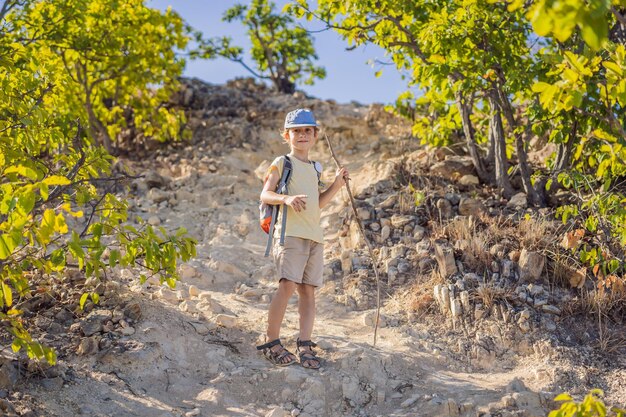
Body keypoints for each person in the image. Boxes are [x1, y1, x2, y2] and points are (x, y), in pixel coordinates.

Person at [257, 108, 349, 369]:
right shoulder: (282, 162)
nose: (302, 135)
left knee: (308, 291)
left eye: (307, 130)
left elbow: (316, 204)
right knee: (287, 285)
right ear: (287, 135)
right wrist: (286, 198)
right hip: (289, 234)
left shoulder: (315, 168)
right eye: (296, 131)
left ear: (315, 134)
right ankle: (271, 340)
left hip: (313, 236)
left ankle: (305, 343)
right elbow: (266, 194)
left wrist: (337, 185)